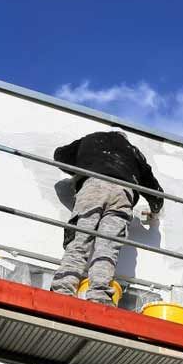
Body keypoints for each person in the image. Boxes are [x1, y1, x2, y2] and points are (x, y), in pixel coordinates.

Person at [50, 130, 163, 305]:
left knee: (80, 241)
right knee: (108, 248)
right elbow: (154, 190)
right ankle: (99, 296)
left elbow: (60, 156)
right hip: (123, 193)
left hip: (93, 187)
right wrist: (155, 212)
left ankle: (62, 289)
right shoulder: (133, 152)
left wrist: (81, 167)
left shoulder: (90, 139)